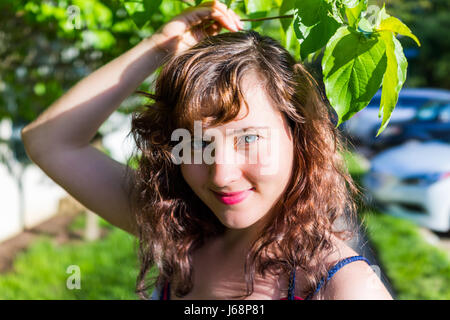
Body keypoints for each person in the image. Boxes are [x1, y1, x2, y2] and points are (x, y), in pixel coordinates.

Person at [21, 0, 392, 300]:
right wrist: (159, 47)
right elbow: (49, 141)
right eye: (197, 143)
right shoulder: (180, 229)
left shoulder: (341, 287)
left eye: (248, 138)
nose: (221, 174)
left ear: (299, 136)